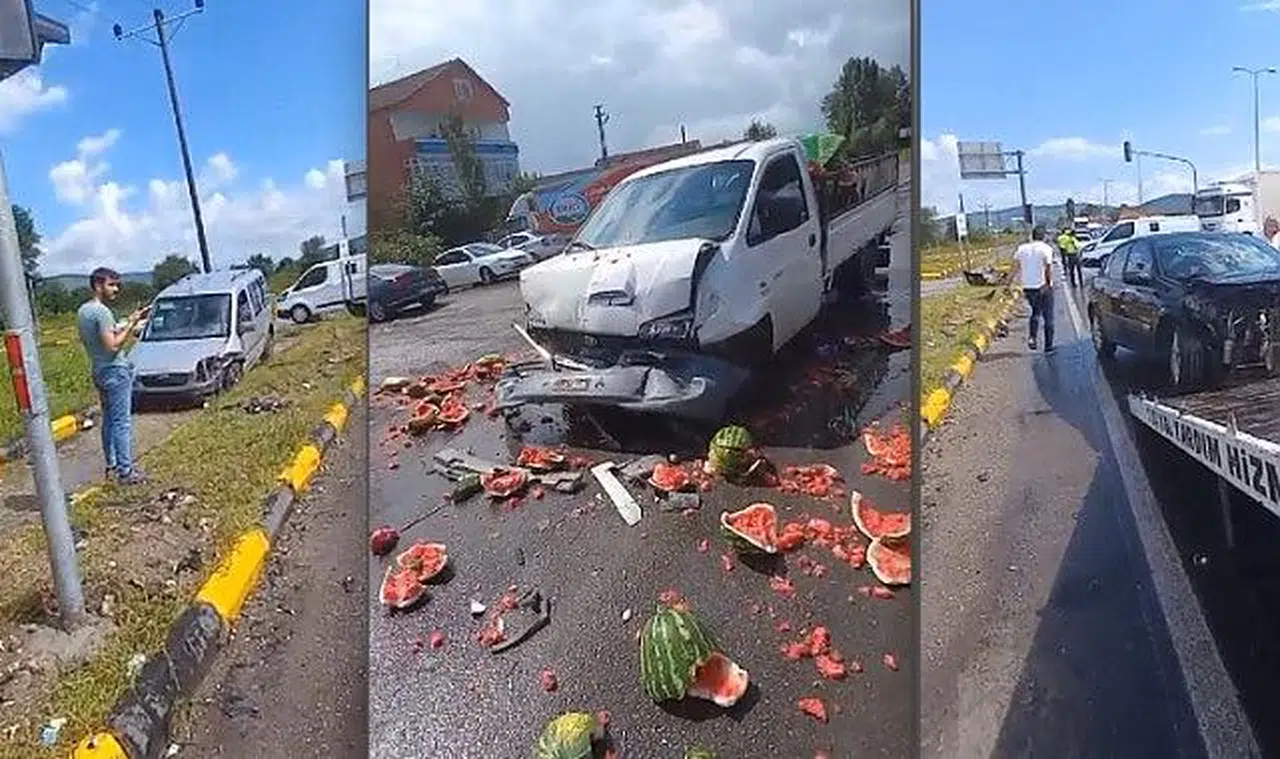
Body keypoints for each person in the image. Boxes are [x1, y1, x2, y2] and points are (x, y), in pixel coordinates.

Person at [76, 268, 149, 484]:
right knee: (121, 422)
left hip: (98, 370)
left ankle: (112, 465)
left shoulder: (83, 311)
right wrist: (134, 324)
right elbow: (112, 345)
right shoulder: (102, 312)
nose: (116, 289)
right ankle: (126, 472)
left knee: (108, 421)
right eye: (111, 284)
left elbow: (98, 340)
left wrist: (122, 325)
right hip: (115, 370)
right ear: (98, 285)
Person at [1011, 226, 1056, 352]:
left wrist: (1008, 283)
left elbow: (1015, 267)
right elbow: (1048, 268)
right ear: (1044, 236)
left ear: (1032, 236)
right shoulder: (1046, 249)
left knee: (1036, 312)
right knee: (1048, 316)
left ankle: (1032, 337)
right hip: (1042, 286)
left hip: (1028, 287)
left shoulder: (1022, 248)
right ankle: (1048, 347)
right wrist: (1048, 284)